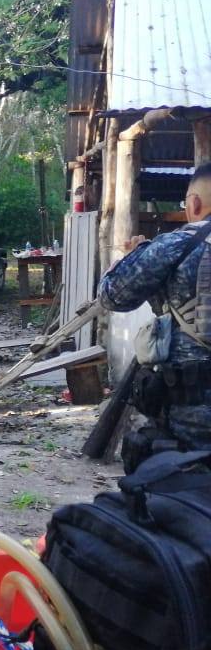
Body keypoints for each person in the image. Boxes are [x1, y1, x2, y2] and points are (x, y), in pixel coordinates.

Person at [99, 163, 211, 471]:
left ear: (194, 204)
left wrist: (133, 255)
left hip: (191, 420)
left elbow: (113, 295)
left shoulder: (177, 245)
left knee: (181, 502)